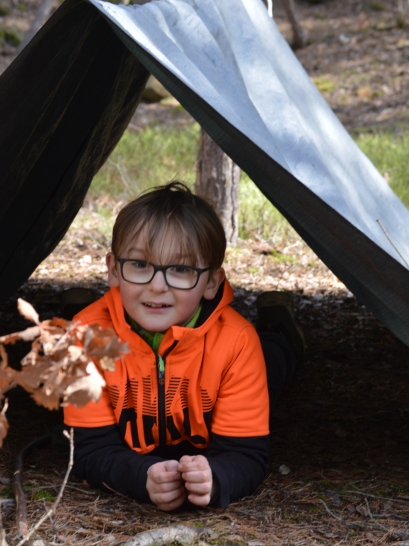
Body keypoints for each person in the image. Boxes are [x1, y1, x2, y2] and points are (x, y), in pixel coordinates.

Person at [63, 182, 303, 510]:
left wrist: (217, 477)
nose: (157, 286)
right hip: (104, 336)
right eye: (140, 265)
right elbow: (88, 451)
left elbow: (246, 453)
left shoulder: (237, 344)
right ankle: (70, 308)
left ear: (212, 283)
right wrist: (141, 477)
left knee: (272, 359)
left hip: (234, 362)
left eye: (180, 269)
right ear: (113, 270)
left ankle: (280, 327)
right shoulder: (84, 340)